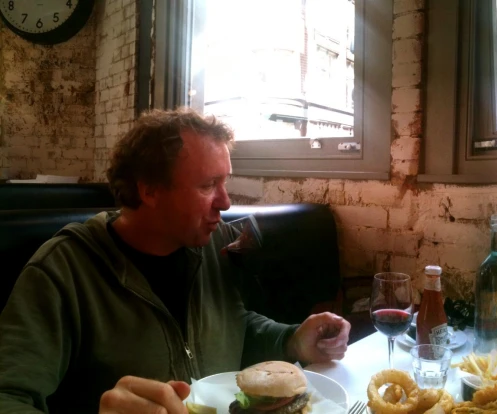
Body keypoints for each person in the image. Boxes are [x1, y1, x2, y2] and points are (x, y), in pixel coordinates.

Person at [0, 109, 351, 413]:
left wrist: (291, 340)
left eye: (224, 182)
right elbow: (7, 396)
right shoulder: (62, 271)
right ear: (149, 189)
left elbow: (232, 325)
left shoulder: (215, 244)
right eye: (208, 185)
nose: (226, 202)